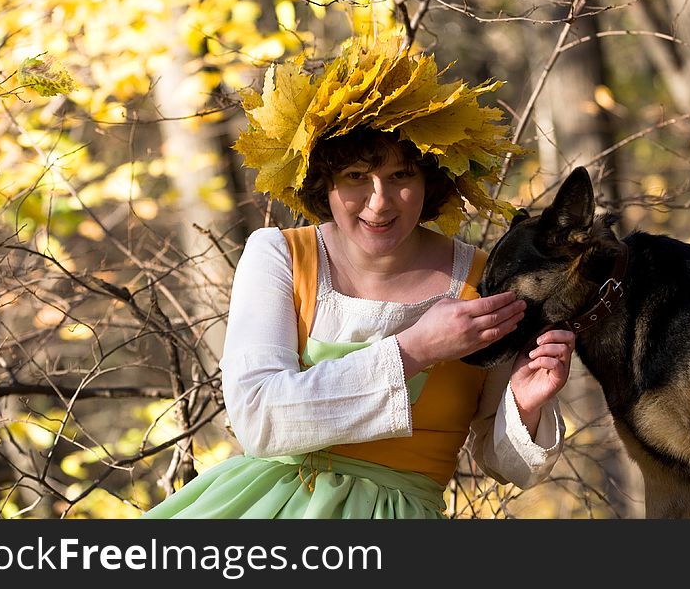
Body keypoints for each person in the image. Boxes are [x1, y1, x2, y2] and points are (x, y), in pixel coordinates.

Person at [142, 35, 575, 519]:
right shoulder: (280, 256)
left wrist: (525, 405)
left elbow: (508, 464)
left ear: (430, 179)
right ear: (322, 181)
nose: (379, 203)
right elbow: (258, 418)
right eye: (354, 177)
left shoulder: (483, 278)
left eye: (401, 176)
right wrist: (417, 350)